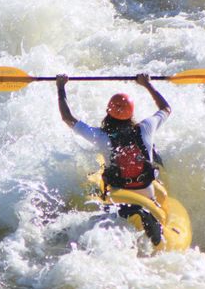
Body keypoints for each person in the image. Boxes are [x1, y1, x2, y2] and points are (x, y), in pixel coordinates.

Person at [56, 73, 171, 202]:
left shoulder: (100, 136)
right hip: (147, 192)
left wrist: (60, 86)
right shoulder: (146, 127)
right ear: (131, 113)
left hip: (118, 195)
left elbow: (67, 118)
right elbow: (166, 108)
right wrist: (147, 84)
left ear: (108, 111)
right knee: (152, 151)